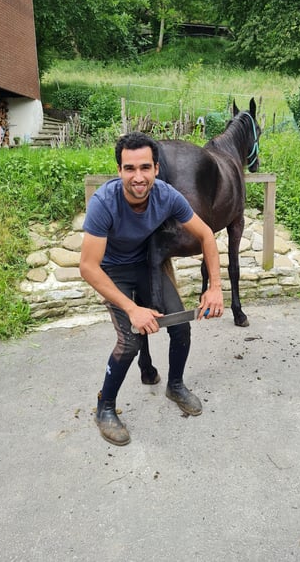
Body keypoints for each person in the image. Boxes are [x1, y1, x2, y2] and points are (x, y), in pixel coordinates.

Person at [79, 132, 225, 446]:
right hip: (112, 271)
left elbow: (207, 235)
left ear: (156, 169)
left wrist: (215, 287)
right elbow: (88, 267)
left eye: (145, 167)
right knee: (129, 343)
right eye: (129, 169)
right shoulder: (104, 203)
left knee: (181, 326)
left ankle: (175, 385)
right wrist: (132, 308)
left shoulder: (167, 195)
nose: (138, 176)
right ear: (119, 171)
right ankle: (105, 407)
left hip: (146, 265)